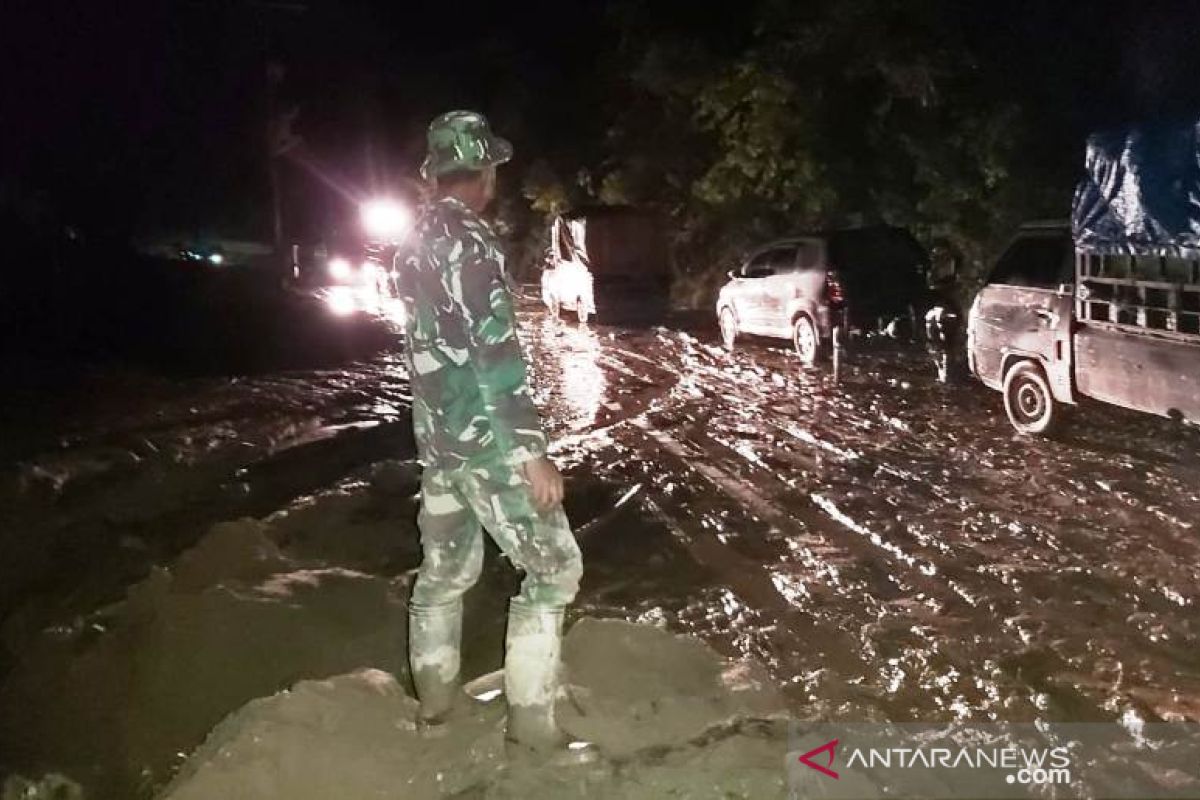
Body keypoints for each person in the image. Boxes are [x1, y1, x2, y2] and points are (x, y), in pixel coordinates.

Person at [398, 110, 584, 754]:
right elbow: (494, 355)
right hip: (486, 441)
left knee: (443, 573)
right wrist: (530, 453)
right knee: (555, 570)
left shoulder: (415, 240)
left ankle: (435, 709)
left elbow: (429, 352)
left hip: (440, 446)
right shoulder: (471, 243)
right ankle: (532, 728)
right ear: (484, 171)